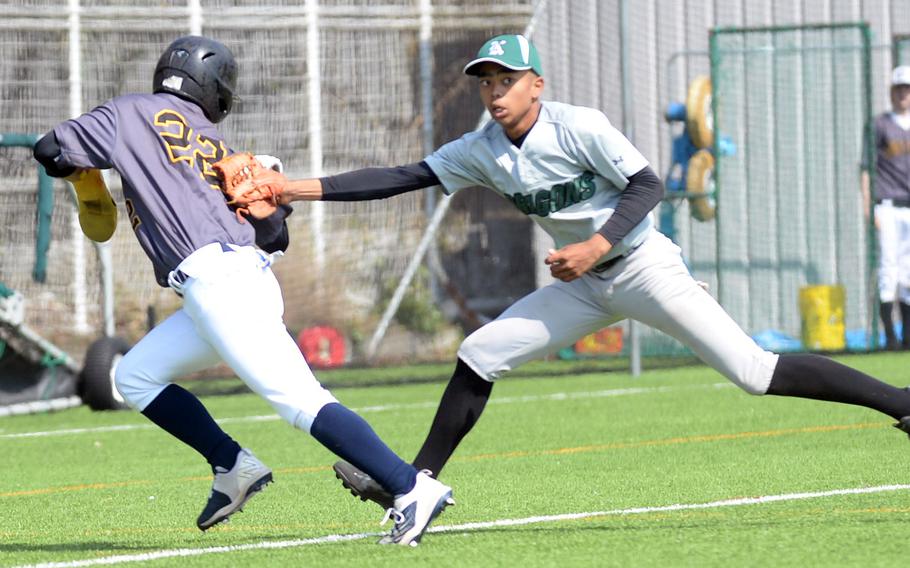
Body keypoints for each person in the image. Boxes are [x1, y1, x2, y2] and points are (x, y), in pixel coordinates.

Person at [248, 34, 910, 510]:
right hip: (583, 286)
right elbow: (405, 176)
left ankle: (903, 405)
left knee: (753, 373)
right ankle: (415, 485)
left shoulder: (578, 127)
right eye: (485, 81)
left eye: (506, 79)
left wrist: (596, 244)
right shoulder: (481, 150)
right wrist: (293, 189)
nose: (494, 91)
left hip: (644, 265)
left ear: (537, 83)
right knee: (479, 353)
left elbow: (646, 186)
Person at [32, 35, 453, 546]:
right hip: (230, 282)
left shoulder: (129, 111)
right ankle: (233, 466)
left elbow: (50, 148)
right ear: (216, 93)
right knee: (137, 376)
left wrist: (85, 179)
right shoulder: (218, 147)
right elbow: (276, 233)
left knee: (300, 401)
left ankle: (411, 489)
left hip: (220, 284)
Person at [862, 65, 910, 351]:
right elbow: (866, 168)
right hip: (888, 205)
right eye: (899, 89)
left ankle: (907, 336)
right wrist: (868, 205)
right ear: (891, 92)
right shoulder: (881, 125)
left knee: (909, 271)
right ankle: (889, 336)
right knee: (888, 266)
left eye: (907, 89)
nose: (903, 94)